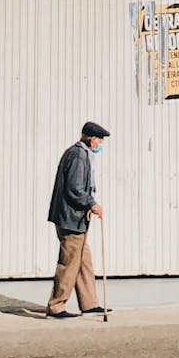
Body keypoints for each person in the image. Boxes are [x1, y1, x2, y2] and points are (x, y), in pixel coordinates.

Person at [46, 121, 111, 319]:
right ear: (91, 138)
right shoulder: (77, 155)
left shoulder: (82, 154)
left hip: (76, 220)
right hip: (70, 220)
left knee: (84, 262)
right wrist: (91, 203)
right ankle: (56, 306)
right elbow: (74, 189)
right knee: (69, 263)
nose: (100, 144)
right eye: (99, 139)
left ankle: (89, 304)